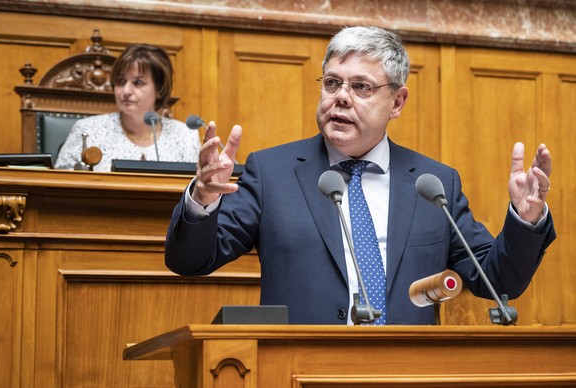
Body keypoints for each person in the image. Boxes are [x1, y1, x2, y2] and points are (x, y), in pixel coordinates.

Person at [165, 26, 556, 325]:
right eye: (332, 83)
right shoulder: (273, 172)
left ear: (397, 101)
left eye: (361, 87)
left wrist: (526, 219)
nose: (341, 96)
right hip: (300, 369)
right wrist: (201, 200)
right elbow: (190, 260)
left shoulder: (435, 183)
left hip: (404, 372)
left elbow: (497, 280)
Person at [55, 44, 200, 171]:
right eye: (120, 81)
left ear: (159, 88)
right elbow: (57, 186)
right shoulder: (87, 130)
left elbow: (197, 194)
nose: (126, 91)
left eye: (138, 82)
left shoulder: (185, 136)